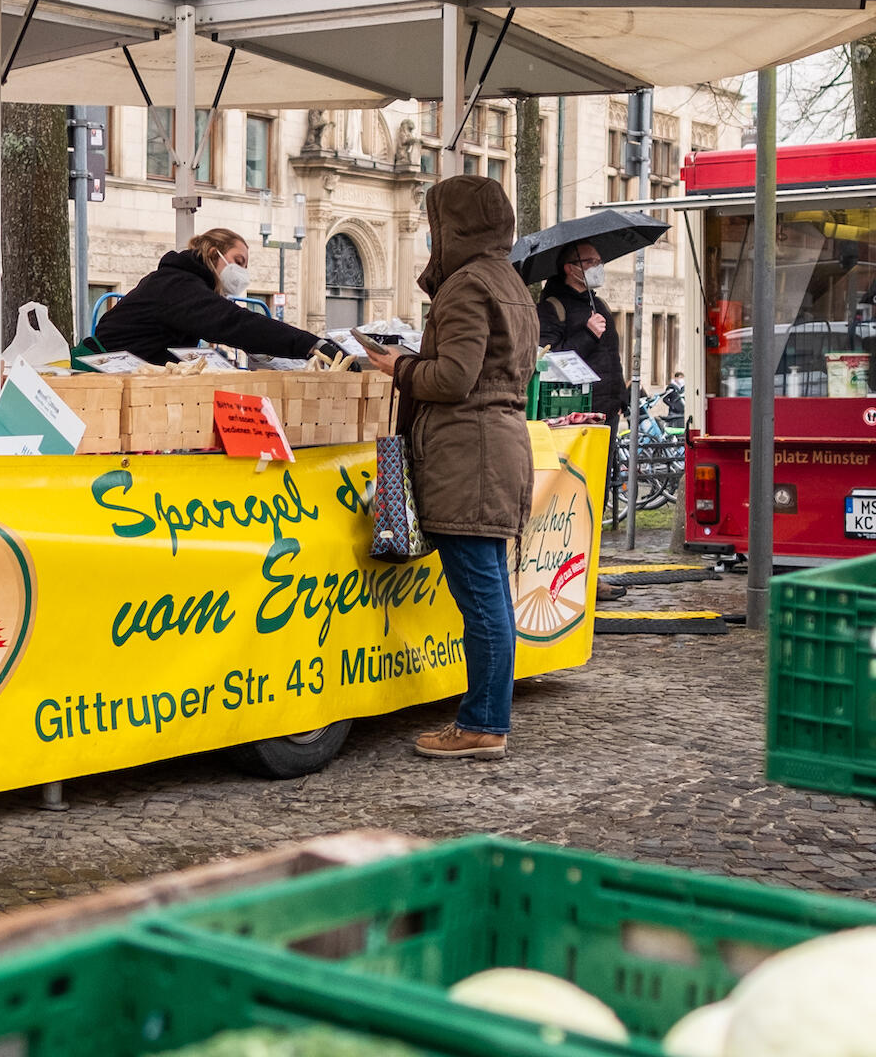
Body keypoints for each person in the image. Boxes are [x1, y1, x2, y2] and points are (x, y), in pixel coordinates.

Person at [364, 177, 538, 762]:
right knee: (490, 593)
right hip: (495, 446)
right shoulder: (509, 280)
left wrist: (400, 366)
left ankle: (483, 722)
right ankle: (486, 716)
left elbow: (454, 378)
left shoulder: (466, 285)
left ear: (453, 226)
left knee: (481, 600)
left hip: (470, 453)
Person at [92, 228, 327, 365]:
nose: (242, 273)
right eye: (238, 261)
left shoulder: (181, 281)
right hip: (105, 374)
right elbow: (235, 323)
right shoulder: (177, 285)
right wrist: (310, 344)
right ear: (214, 254)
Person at [536, 242, 628, 442]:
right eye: (590, 262)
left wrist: (621, 395)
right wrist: (588, 334)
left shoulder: (600, 305)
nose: (598, 267)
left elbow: (612, 356)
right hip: (575, 414)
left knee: (604, 472)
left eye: (599, 261)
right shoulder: (551, 308)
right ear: (570, 268)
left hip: (608, 412)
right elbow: (549, 360)